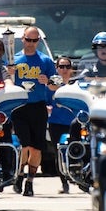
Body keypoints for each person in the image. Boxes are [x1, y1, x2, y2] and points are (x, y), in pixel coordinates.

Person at [11, 26, 57, 197]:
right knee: (24, 144)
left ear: (38, 41)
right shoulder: (14, 60)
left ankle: (29, 181)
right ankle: (19, 174)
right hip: (20, 106)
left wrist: (47, 81)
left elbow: (55, 84)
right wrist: (10, 75)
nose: (31, 44)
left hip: (38, 106)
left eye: (34, 40)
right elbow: (5, 82)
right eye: (28, 40)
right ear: (22, 39)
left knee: (36, 148)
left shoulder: (45, 61)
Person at [46, 56, 77, 193]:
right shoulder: (51, 84)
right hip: (56, 122)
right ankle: (64, 183)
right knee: (58, 152)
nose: (64, 70)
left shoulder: (76, 85)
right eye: (61, 67)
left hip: (73, 122)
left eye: (67, 67)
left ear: (71, 69)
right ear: (56, 68)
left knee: (75, 150)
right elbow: (45, 100)